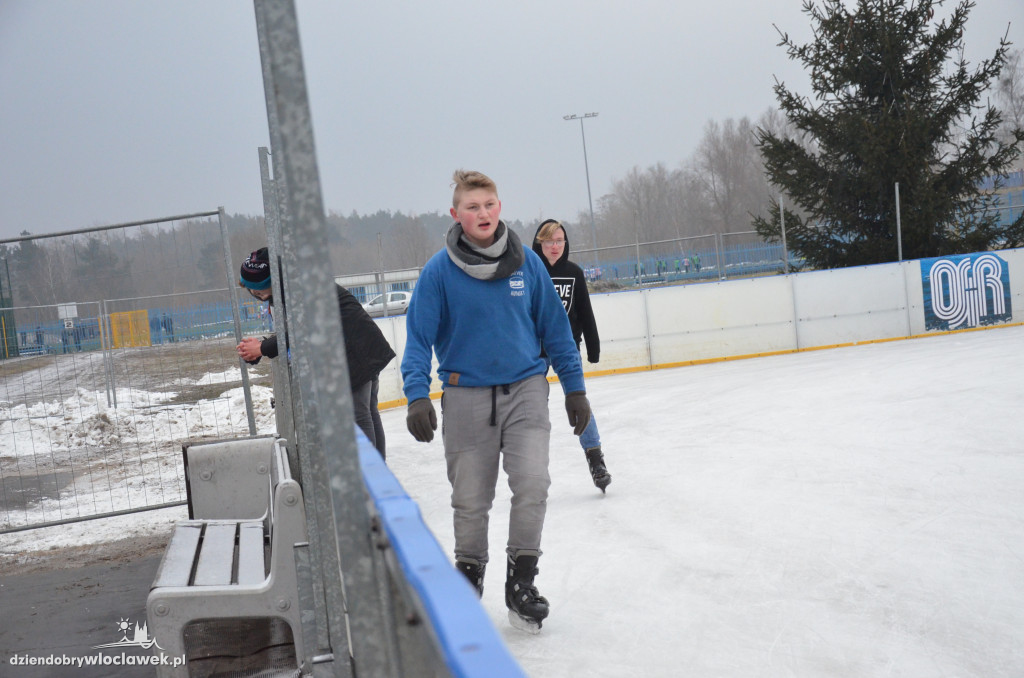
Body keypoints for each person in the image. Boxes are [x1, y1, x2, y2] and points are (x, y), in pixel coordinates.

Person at [402, 171, 591, 633]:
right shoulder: (438, 272)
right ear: (456, 215)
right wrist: (416, 395)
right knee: (470, 499)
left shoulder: (527, 264)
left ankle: (521, 581)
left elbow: (556, 330)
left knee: (533, 483)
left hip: (526, 389)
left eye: (489, 204)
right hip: (465, 396)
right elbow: (418, 338)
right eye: (472, 207)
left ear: (499, 207)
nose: (482, 213)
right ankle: (468, 577)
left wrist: (575, 388)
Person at [236, 247, 396, 458]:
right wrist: (261, 348)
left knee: (358, 415)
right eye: (251, 290)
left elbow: (302, 330)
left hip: (354, 351)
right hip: (360, 346)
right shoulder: (293, 285)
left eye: (260, 289)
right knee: (366, 413)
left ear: (274, 279)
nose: (256, 294)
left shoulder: (298, 290)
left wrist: (262, 348)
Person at [532, 219, 612, 493]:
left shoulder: (574, 273)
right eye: (549, 241)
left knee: (580, 404)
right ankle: (532, 468)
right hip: (535, 352)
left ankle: (596, 460)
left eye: (559, 241)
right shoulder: (530, 271)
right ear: (539, 243)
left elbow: (585, 311)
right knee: (532, 407)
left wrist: (593, 347)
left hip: (567, 350)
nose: (555, 246)